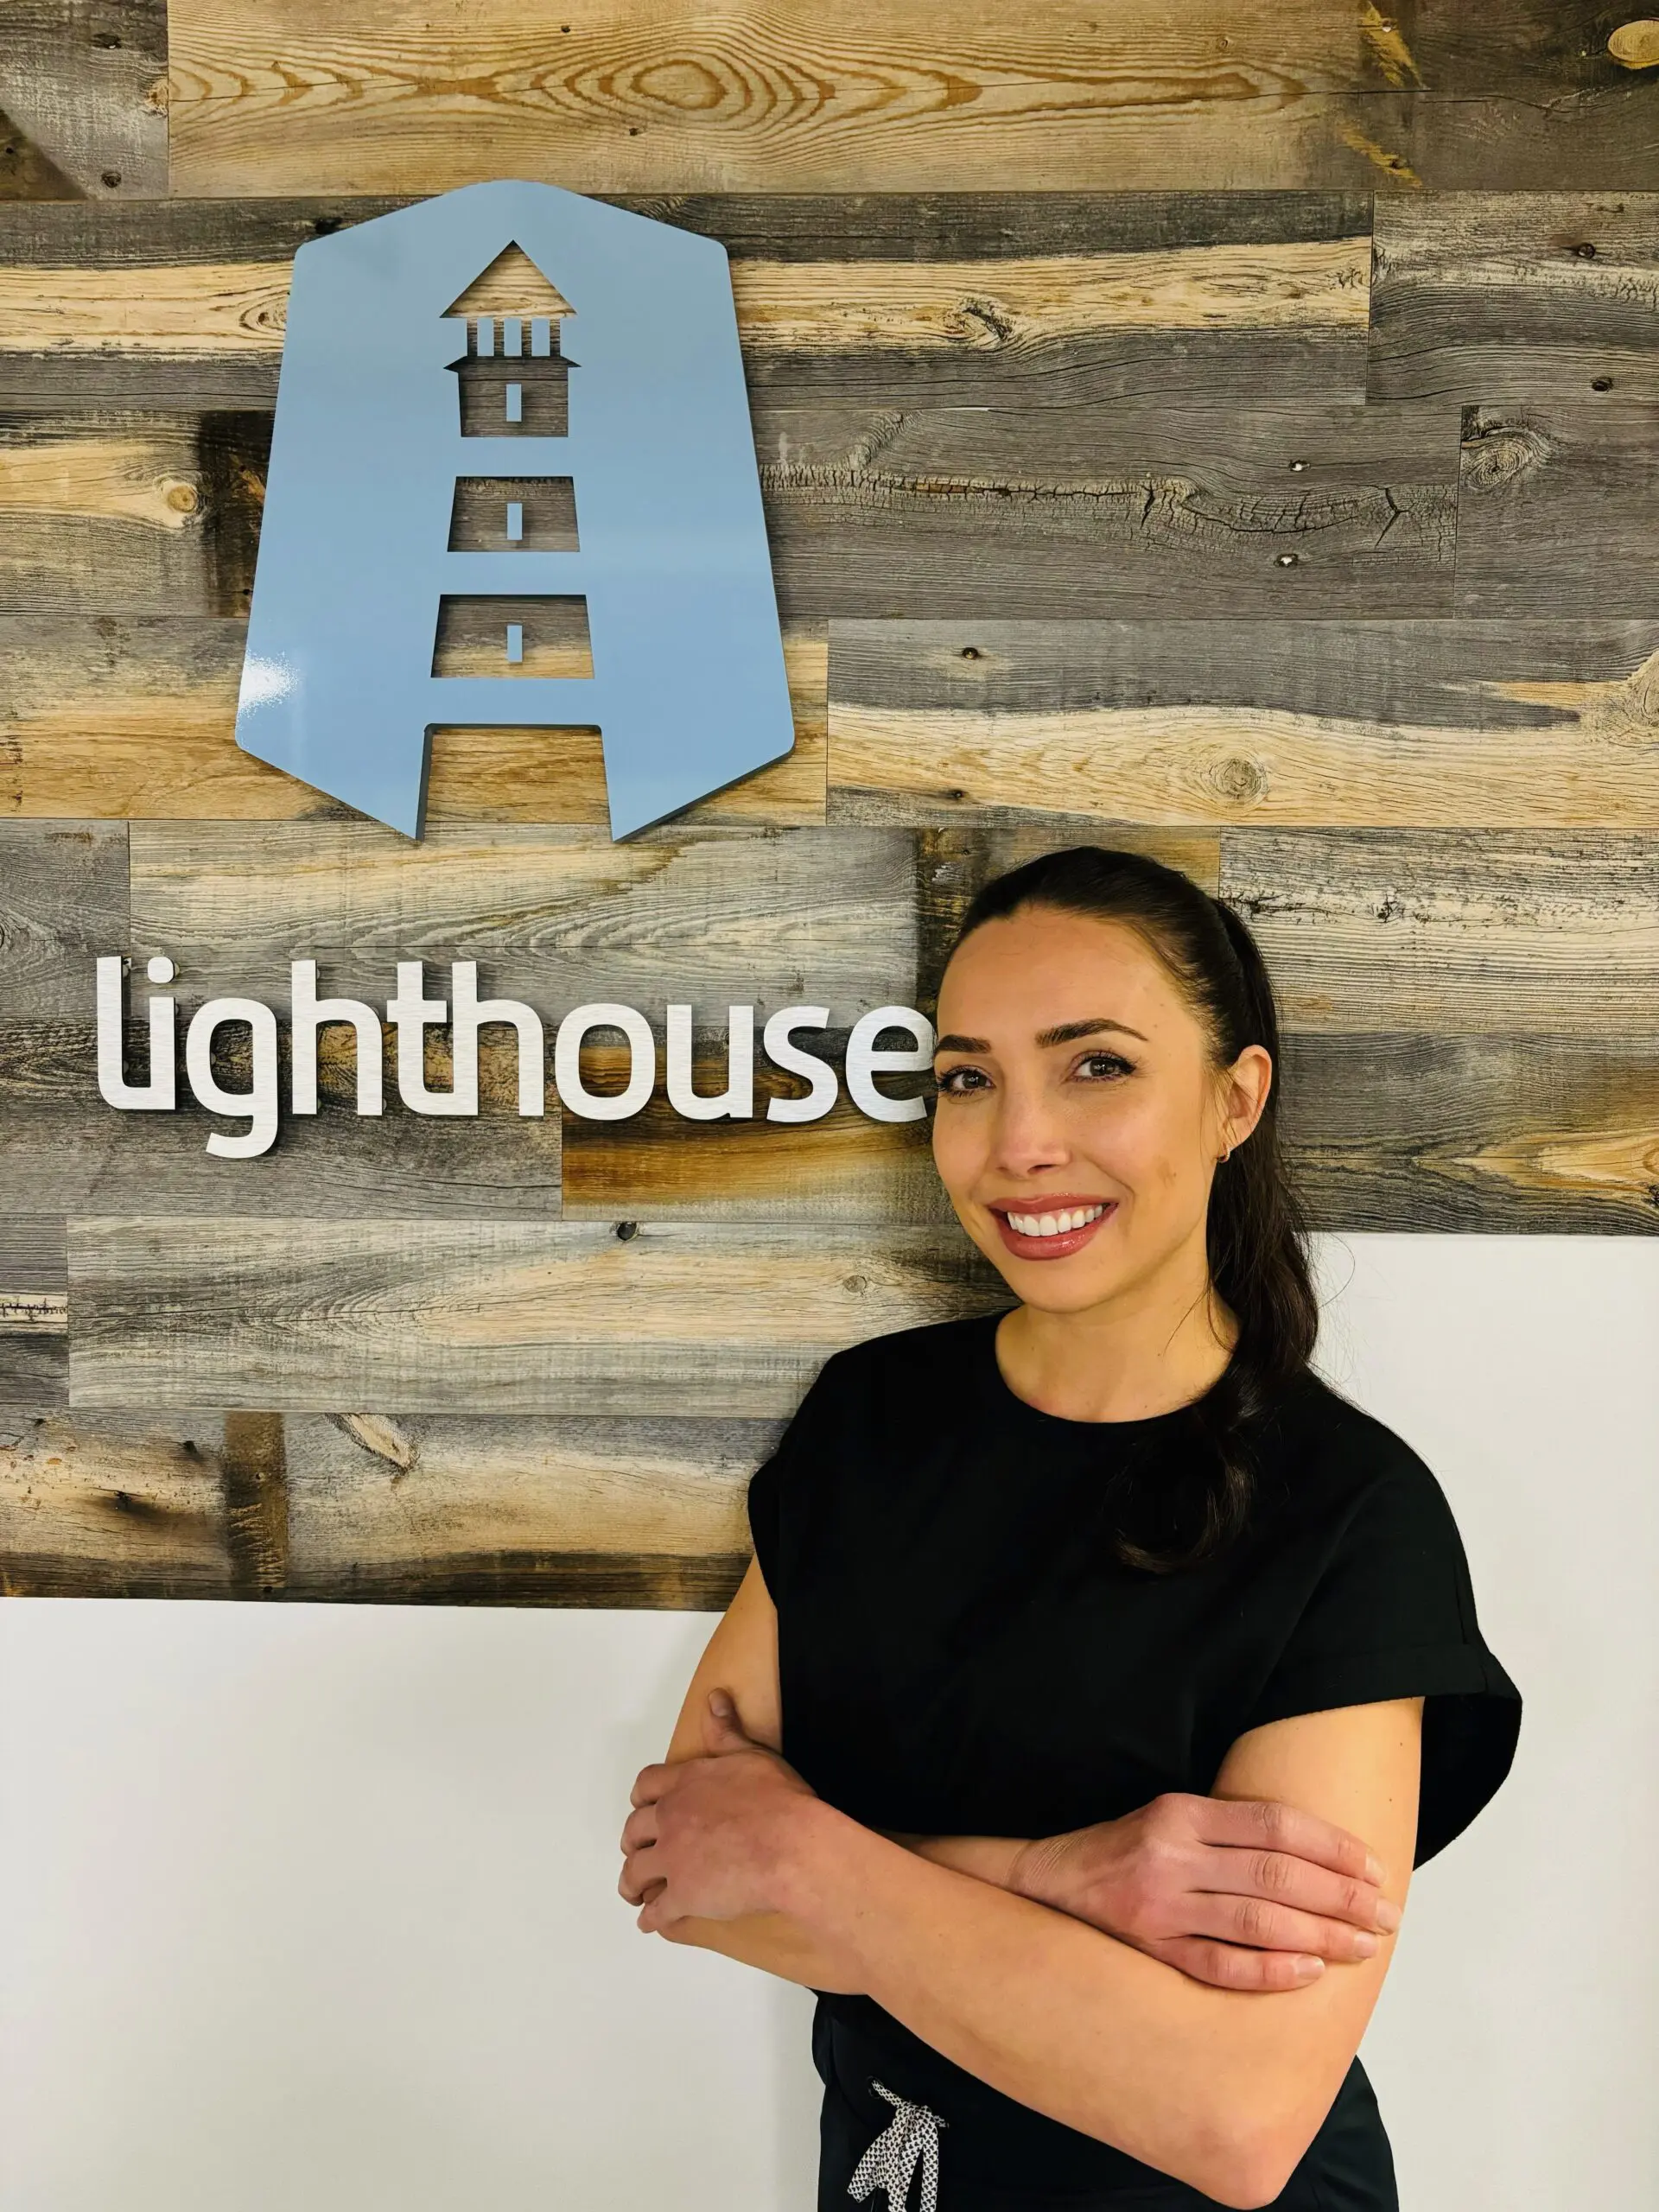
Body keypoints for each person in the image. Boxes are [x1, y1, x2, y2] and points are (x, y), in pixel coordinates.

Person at [618, 846, 1520, 2210]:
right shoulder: (871, 1426)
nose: (1018, 1140)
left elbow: (1234, 2114)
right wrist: (1063, 1878)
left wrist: (812, 1856)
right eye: (968, 1078)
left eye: (1096, 1065)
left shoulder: (1350, 1519)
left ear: (1235, 1099)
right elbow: (687, 1870)